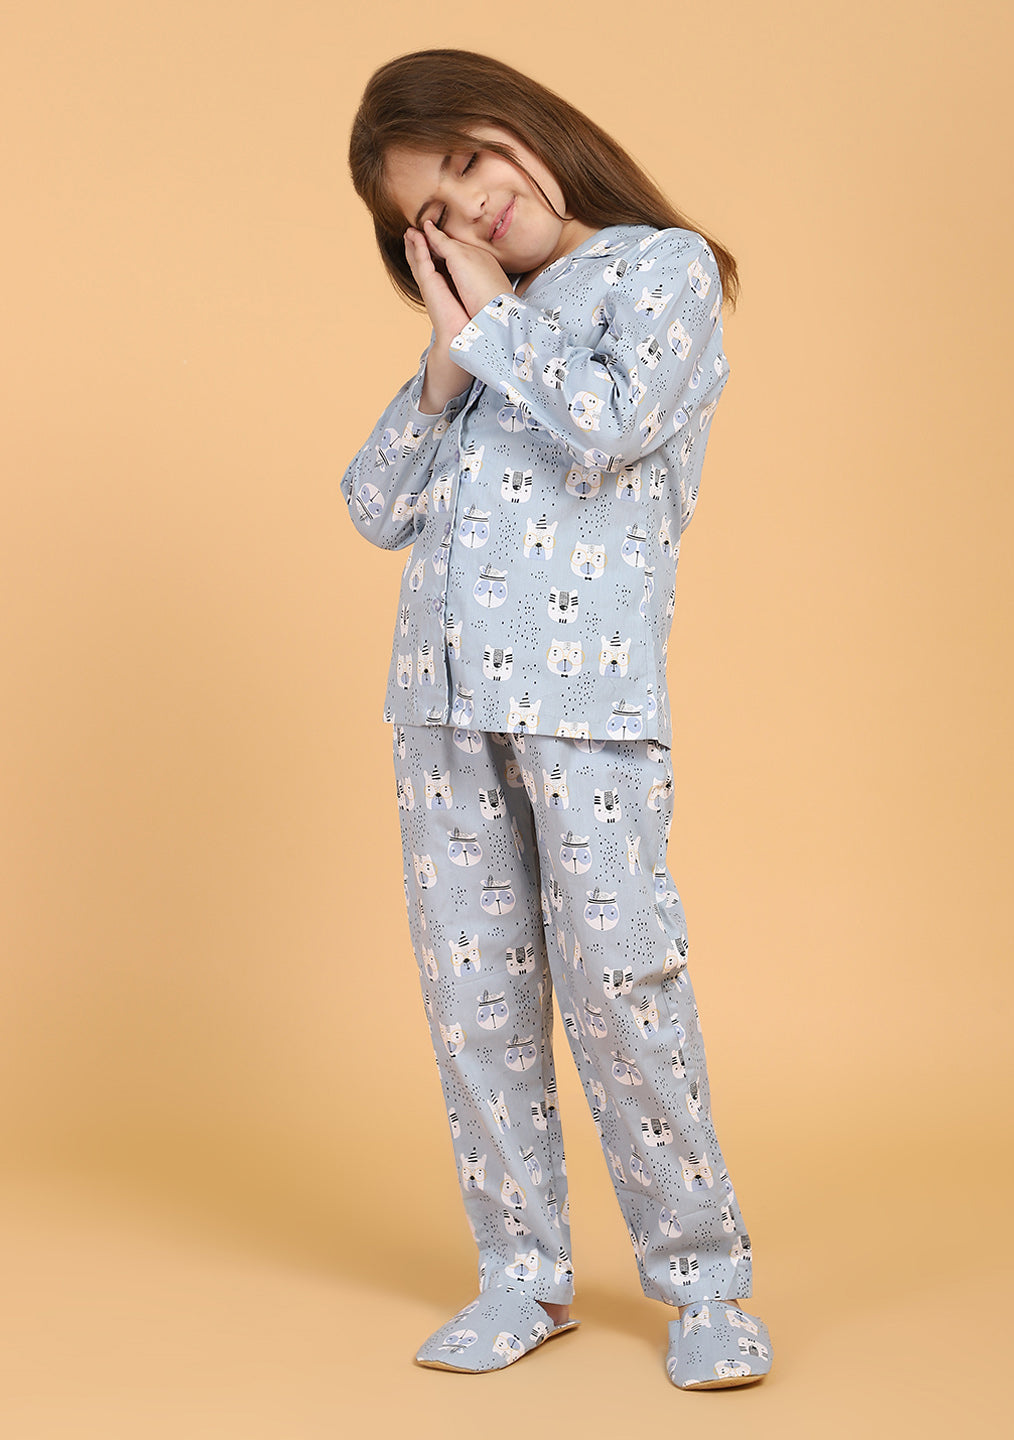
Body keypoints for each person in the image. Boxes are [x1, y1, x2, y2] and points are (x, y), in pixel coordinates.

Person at [340, 48, 773, 1390]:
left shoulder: (661, 271)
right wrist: (445, 354)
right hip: (440, 708)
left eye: (469, 161)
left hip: (586, 702)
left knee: (619, 984)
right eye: (433, 214)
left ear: (524, 124)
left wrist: (487, 325)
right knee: (476, 1000)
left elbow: (612, 423)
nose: (471, 210)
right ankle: (520, 1275)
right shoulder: (484, 340)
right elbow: (374, 506)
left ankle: (704, 1282)